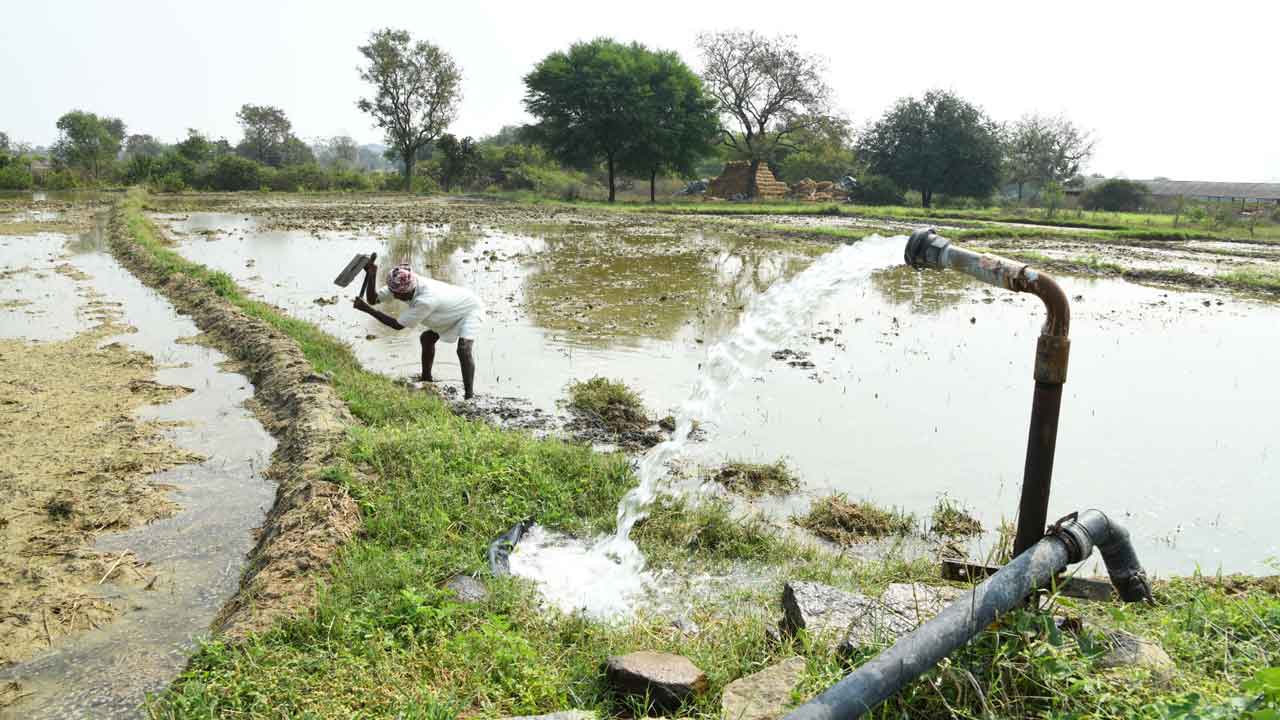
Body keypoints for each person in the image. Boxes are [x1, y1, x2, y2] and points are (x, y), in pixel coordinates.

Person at [352, 261, 484, 399]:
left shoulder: (425, 300)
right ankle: (426, 379)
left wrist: (367, 309)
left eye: (396, 295)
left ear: (407, 291)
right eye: (392, 292)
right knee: (426, 339)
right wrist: (372, 275)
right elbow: (374, 299)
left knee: (463, 349)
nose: (394, 296)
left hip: (470, 309)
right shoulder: (399, 283)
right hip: (447, 309)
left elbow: (397, 325)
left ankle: (469, 397)